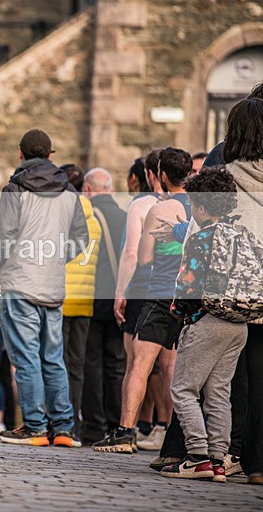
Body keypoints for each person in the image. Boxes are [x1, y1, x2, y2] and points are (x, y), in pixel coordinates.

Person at [0, 129, 89, 447]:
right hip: (52, 284)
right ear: (50, 155)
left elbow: (0, 235)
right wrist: (56, 259)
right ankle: (62, 428)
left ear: (21, 155)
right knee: (53, 356)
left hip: (20, 282)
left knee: (27, 357)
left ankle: (34, 426)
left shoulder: (16, 188)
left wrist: (3, 264)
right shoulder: (69, 193)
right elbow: (81, 240)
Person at [94, 147, 192, 454]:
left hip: (160, 292)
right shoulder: (201, 206)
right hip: (190, 294)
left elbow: (144, 256)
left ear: (161, 175)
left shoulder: (157, 210)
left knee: (139, 363)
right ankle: (174, 436)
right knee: (173, 367)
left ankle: (125, 432)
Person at [159, 167, 247, 482]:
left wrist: (177, 312)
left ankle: (196, 455)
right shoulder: (243, 235)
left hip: (207, 320)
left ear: (201, 206)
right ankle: (218, 460)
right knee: (219, 393)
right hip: (239, 324)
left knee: (183, 388)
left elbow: (187, 285)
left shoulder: (202, 237)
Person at [221, 97, 263, 485]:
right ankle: (258, 463)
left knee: (231, 375)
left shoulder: (226, 177)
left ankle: (229, 451)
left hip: (235, 294)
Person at [79, 168, 127, 445]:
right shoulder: (125, 215)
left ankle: (94, 426)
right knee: (116, 364)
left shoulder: (87, 219)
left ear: (87, 189)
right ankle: (115, 422)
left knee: (91, 362)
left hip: (93, 299)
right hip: (120, 301)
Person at [59, 164, 101, 439]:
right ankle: (74, 422)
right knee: (77, 365)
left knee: (56, 363)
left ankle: (60, 420)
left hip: (61, 301)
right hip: (85, 302)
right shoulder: (95, 221)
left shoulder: (63, 219)